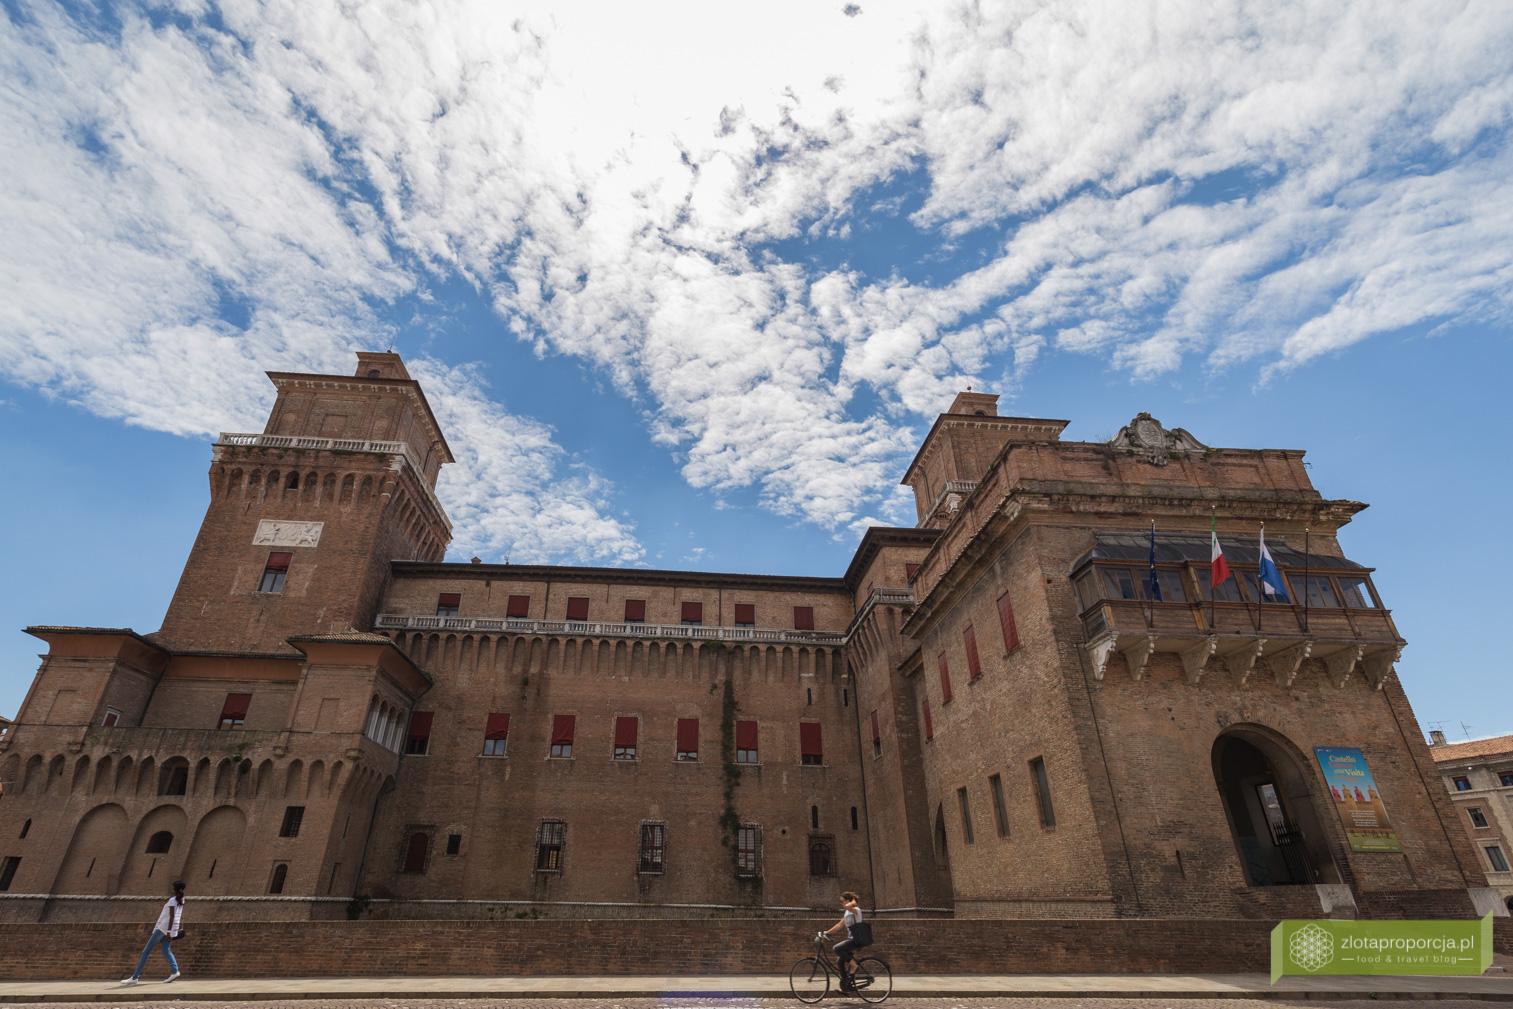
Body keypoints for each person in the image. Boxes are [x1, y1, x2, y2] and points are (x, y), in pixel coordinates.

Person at [120, 880, 185, 985]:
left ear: (174, 889)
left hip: (164, 928)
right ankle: (174, 971)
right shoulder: (181, 899)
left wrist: (168, 932)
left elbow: (172, 916)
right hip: (170, 929)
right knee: (165, 950)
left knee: (146, 951)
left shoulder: (173, 900)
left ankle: (135, 977)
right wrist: (170, 932)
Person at [821, 891, 868, 991]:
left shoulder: (856, 910)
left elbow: (848, 906)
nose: (841, 903)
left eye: (842, 901)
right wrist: (827, 932)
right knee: (839, 961)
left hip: (857, 939)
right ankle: (846, 986)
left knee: (837, 948)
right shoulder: (847, 912)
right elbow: (839, 925)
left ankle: (854, 966)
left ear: (848, 900)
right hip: (851, 939)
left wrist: (853, 901)